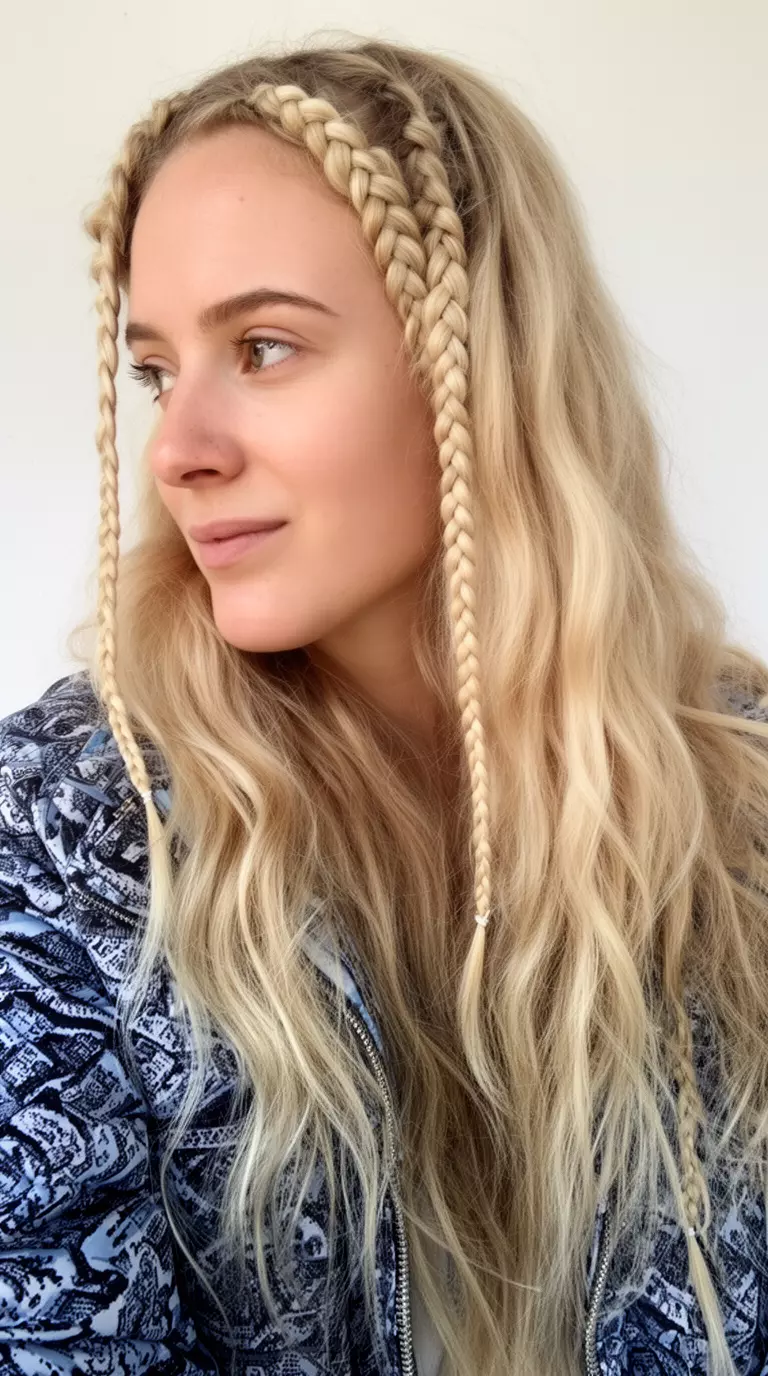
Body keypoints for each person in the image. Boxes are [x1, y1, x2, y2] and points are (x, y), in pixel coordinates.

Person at [1, 35, 767, 1376]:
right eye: (156, 369)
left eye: (266, 345)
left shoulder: (739, 802)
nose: (181, 449)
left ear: (476, 364)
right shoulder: (65, 848)